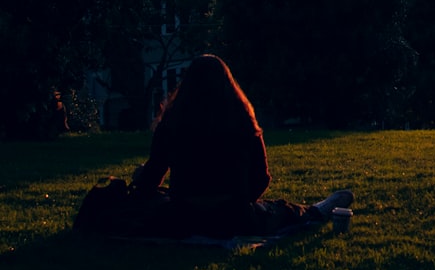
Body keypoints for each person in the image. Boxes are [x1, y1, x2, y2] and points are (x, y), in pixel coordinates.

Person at [131, 54, 353, 238]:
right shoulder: (242, 119)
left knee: (150, 204)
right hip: (234, 218)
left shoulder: (172, 121)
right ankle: (320, 209)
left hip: (181, 217)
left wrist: (141, 175)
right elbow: (261, 178)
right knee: (282, 211)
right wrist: (238, 201)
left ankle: (318, 209)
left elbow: (152, 177)